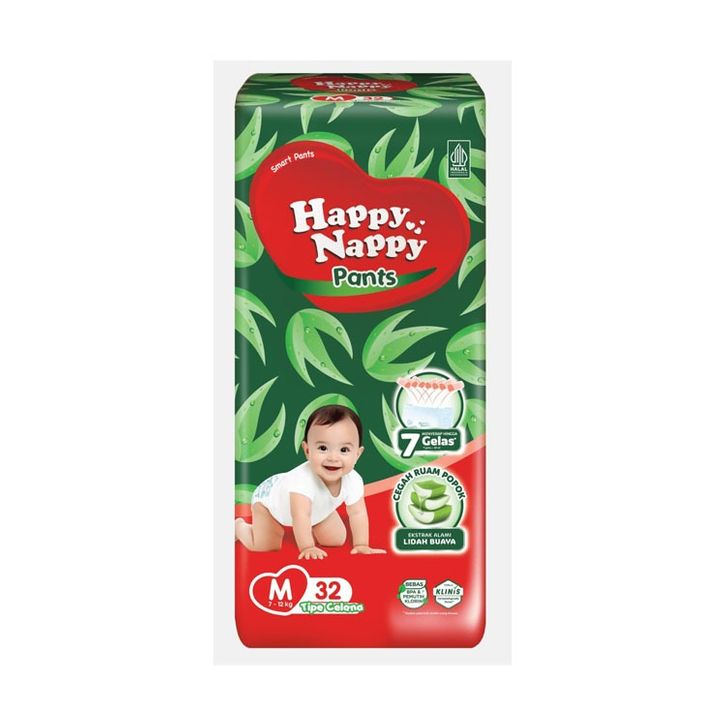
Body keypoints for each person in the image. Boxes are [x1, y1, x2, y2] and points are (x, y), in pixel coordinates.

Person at [235, 404, 386, 559]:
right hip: (269, 502)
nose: (333, 458)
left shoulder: (353, 479)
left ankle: (316, 520)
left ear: (357, 454)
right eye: (323, 448)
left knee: (336, 540)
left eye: (344, 450)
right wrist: (308, 547)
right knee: (266, 545)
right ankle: (239, 527)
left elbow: (358, 513)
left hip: (312, 508)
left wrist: (361, 544)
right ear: (307, 450)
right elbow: (300, 516)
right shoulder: (301, 480)